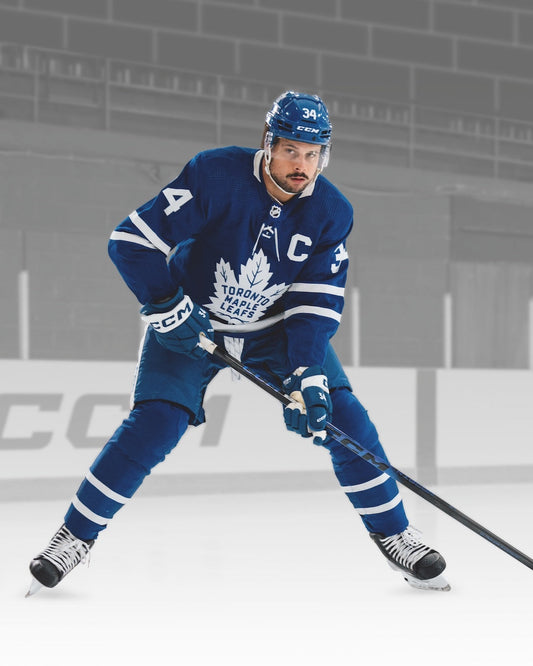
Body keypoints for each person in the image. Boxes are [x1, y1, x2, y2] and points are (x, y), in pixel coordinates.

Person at [27, 91, 450, 595]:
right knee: (156, 424)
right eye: (291, 150)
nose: (301, 165)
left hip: (274, 330)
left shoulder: (331, 211)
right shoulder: (215, 174)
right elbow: (130, 242)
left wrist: (308, 372)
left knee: (343, 418)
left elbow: (314, 303)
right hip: (192, 321)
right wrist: (166, 305)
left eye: (312, 153)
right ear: (268, 143)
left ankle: (395, 534)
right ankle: (73, 538)